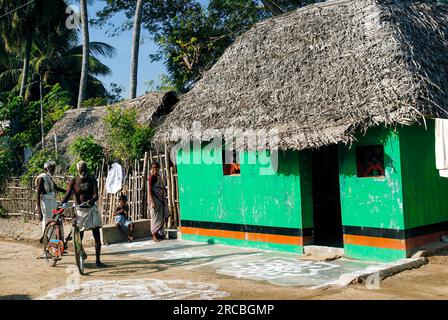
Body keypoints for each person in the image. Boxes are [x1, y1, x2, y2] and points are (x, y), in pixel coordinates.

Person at [61, 161, 105, 267]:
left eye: (85, 169)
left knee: (96, 235)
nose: (83, 172)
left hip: (91, 210)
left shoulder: (92, 180)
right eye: (81, 170)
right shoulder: (74, 181)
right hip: (80, 211)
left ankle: (98, 260)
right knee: (79, 236)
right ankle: (80, 257)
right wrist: (62, 204)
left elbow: (96, 195)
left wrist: (91, 200)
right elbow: (67, 194)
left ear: (87, 169)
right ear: (78, 170)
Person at [36, 161, 65, 244]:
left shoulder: (49, 177)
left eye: (53, 169)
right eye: (51, 169)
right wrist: (39, 211)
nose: (53, 170)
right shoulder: (41, 178)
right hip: (46, 203)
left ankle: (54, 243)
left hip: (52, 202)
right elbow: (37, 195)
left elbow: (56, 187)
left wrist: (67, 191)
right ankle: (47, 242)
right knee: (47, 222)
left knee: (54, 221)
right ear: (46, 169)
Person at [147, 161, 168, 242]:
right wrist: (152, 202)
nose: (154, 169)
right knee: (155, 218)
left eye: (156, 167)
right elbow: (149, 190)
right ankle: (154, 235)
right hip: (154, 200)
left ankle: (159, 234)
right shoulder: (151, 177)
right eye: (153, 168)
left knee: (160, 217)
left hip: (160, 200)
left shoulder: (159, 177)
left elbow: (161, 188)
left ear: (158, 168)